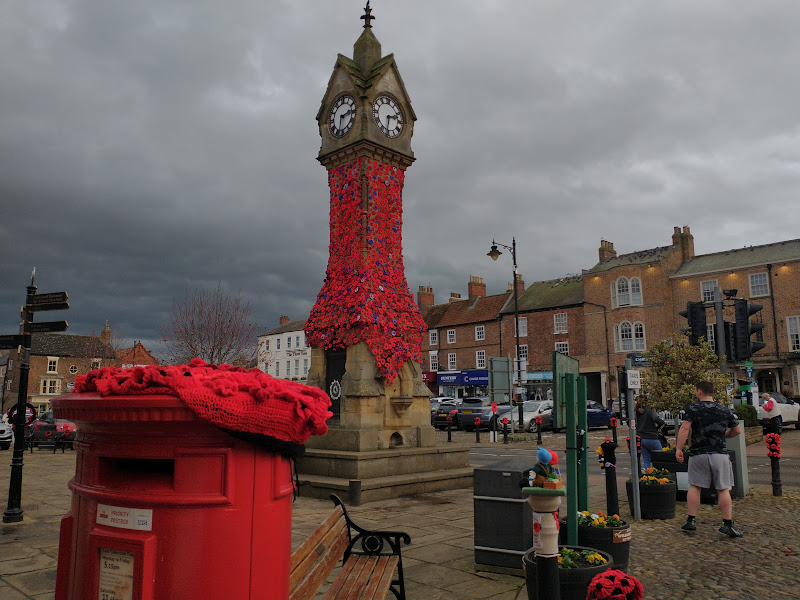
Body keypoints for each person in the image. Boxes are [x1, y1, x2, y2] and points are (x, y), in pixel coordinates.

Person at [676, 381, 742, 537]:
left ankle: (691, 520)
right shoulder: (724, 410)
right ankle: (727, 523)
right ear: (712, 393)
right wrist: (724, 435)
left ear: (699, 392)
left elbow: (685, 428)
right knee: (723, 488)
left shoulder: (692, 408)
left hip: (698, 453)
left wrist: (679, 448)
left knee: (695, 487)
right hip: (719, 453)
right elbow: (737, 430)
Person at [635, 401, 665, 469]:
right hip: (652, 437)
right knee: (661, 457)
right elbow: (658, 420)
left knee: (646, 460)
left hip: (641, 439)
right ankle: (659, 474)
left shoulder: (637, 412)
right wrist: (658, 427)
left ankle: (646, 475)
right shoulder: (650, 411)